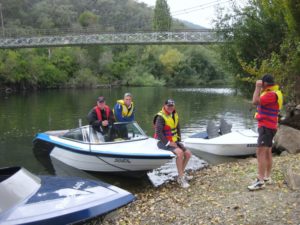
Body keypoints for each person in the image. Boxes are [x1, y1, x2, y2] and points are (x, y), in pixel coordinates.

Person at [248, 74, 283, 191]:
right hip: (270, 126)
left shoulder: (270, 95)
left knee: (260, 151)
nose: (260, 85)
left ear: (265, 84)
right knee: (267, 152)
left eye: (261, 83)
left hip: (266, 127)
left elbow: (255, 101)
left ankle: (260, 180)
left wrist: (257, 88)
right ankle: (267, 177)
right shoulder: (275, 92)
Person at [153, 99, 192, 188]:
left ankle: (180, 175)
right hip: (163, 142)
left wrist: (179, 141)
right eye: (168, 106)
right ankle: (181, 178)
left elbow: (178, 128)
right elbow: (159, 133)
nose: (170, 107)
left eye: (172, 106)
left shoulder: (174, 114)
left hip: (174, 140)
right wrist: (168, 143)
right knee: (180, 153)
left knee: (188, 154)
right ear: (165, 105)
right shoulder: (160, 117)